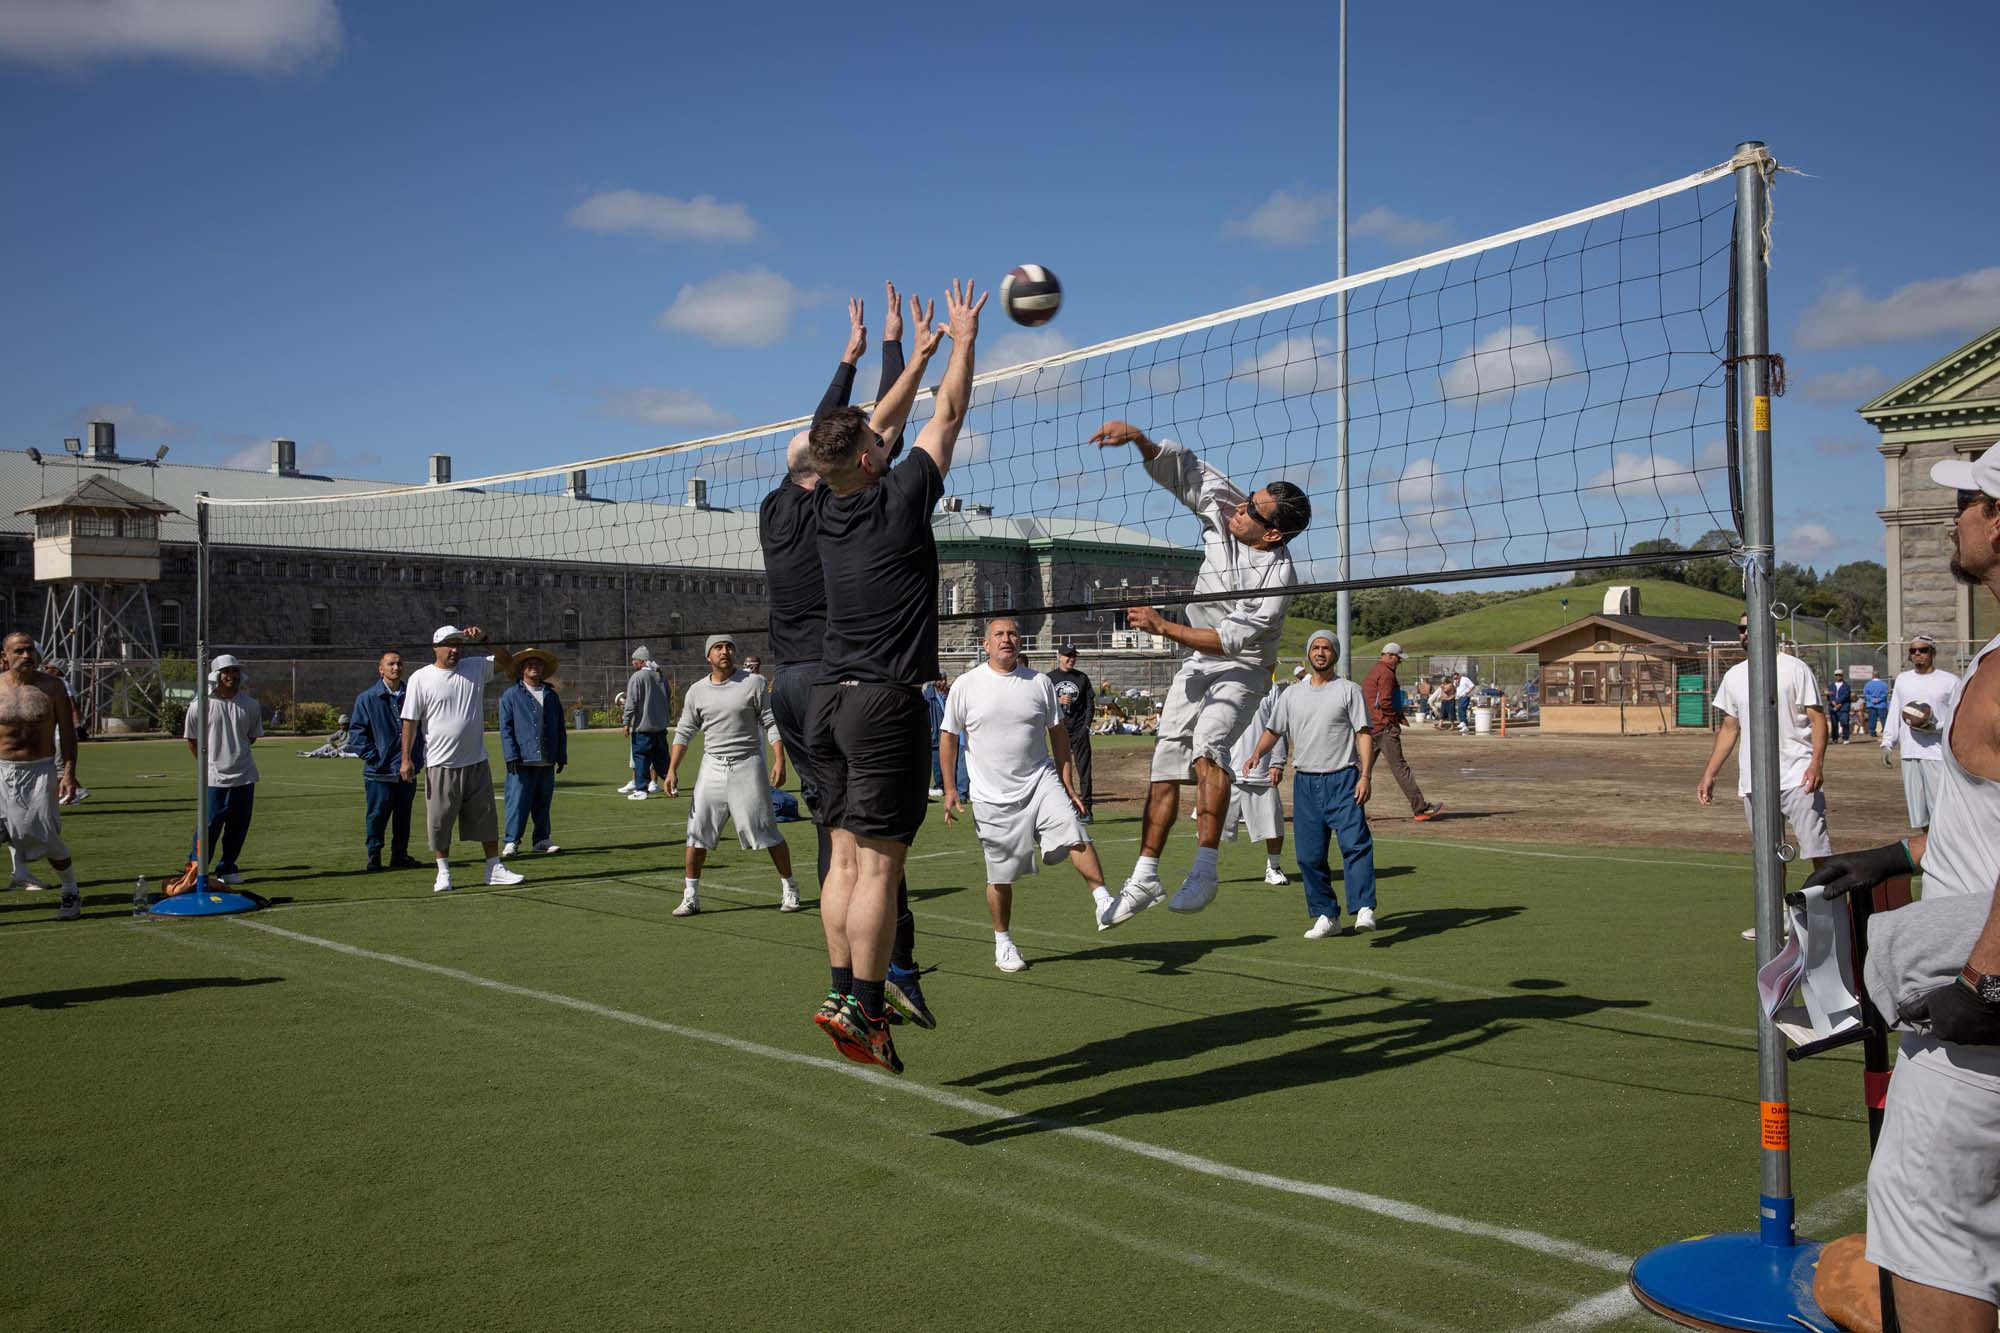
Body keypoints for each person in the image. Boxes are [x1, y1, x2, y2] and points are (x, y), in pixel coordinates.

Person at [1800, 453, 2000, 1329]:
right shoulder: (1988, 655)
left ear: (1999, 521)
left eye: (1965, 502)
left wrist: (1985, 981)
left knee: (1929, 1232)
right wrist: (1896, 851)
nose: (1951, 517)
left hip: (1981, 1010)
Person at [806, 277, 980, 1073]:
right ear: (874, 456)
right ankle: (869, 1010)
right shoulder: (902, 495)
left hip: (827, 703)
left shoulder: (824, 504)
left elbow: (877, 425)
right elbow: (943, 416)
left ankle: (845, 991)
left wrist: (914, 354)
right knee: (878, 866)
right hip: (883, 704)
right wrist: (963, 339)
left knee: (843, 861)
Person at [760, 283, 934, 1024]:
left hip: (793, 692)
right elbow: (868, 434)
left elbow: (833, 432)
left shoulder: (782, 506)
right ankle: (890, 969)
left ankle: (852, 976)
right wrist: (901, 351)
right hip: (845, 677)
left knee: (840, 833)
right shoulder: (844, 501)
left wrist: (855, 356)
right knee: (876, 844)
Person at [1088, 418, 1311, 923]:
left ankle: (1205, 869)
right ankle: (1145, 875)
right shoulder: (1231, 508)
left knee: (1208, 745)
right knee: (1165, 758)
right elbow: (1185, 471)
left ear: (1272, 531)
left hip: (1245, 666)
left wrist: (1163, 628)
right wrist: (1141, 440)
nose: (1240, 508)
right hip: (1196, 660)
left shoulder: (1279, 576)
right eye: (1246, 499)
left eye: (1253, 510)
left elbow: (1229, 640)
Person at [939, 618, 1111, 970]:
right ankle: (1003, 941)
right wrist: (951, 788)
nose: (1007, 639)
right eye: (999, 635)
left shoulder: (1040, 683)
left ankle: (1105, 901)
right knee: (1001, 877)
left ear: (1021, 643)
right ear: (986, 645)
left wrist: (1067, 782)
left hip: (1040, 780)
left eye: (1013, 634)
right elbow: (949, 737)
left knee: (1072, 826)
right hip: (992, 796)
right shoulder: (966, 686)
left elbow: (1058, 735)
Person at [1696, 618, 1829, 939]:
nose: (1744, 633)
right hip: (1755, 781)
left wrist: (1817, 764)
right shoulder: (1734, 676)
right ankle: (1778, 918)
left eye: (1750, 626)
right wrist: (1710, 773)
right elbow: (1730, 728)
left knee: (1817, 851)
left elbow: (1817, 717)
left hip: (1798, 775)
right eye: (1741, 629)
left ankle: (1830, 916)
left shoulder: (1795, 668)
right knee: (1768, 855)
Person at [1242, 630, 1377, 937]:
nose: (1320, 652)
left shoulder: (1349, 690)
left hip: (1343, 779)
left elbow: (1364, 733)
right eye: (1315, 647)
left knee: (1355, 845)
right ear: (1308, 653)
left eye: (1326, 648)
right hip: (1305, 783)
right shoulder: (1291, 694)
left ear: (1335, 654)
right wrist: (1256, 754)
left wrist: (1366, 775)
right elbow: (1274, 729)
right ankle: (1327, 915)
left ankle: (1364, 907)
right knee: (1308, 856)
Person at [665, 633, 797, 916]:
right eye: (718, 648)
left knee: (766, 830)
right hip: (712, 766)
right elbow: (685, 730)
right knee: (696, 833)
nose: (724, 651)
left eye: (728, 647)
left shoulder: (754, 683)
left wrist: (779, 760)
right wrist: (672, 769)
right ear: (708, 656)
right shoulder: (697, 690)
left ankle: (790, 888)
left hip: (748, 764)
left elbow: (770, 721)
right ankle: (691, 896)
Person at [401, 624, 523, 892]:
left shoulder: (475, 667)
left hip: (476, 761)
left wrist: (486, 639)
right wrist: (406, 759)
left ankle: (494, 867)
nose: (455, 650)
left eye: (458, 644)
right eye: (449, 645)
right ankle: (443, 872)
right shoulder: (420, 678)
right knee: (440, 821)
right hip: (440, 763)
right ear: (436, 648)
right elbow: (410, 721)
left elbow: (508, 662)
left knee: (486, 819)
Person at [0, 633, 82, 918]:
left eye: (30, 650)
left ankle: (70, 889)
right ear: (5, 656)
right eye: (19, 650)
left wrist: (68, 773)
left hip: (39, 771)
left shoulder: (53, 687)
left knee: (44, 838)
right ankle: (20, 872)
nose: (26, 655)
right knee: (8, 831)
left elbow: (68, 734)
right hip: (2, 769)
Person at [183, 653, 261, 886]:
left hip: (245, 775)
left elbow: (251, 737)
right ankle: (197, 870)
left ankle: (227, 867)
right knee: (208, 826)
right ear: (216, 676)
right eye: (226, 672)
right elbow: (192, 739)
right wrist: (207, 764)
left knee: (238, 826)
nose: (231, 676)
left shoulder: (250, 705)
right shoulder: (200, 705)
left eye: (234, 671)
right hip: (213, 777)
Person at [351, 650, 425, 871]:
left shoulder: (412, 695)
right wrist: (375, 757)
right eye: (391, 664)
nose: (396, 668)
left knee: (404, 816)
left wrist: (416, 758)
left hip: (406, 770)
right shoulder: (367, 698)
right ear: (380, 668)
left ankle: (400, 855)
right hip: (379, 772)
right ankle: (374, 856)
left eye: (400, 664)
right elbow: (357, 733)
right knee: (376, 815)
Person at [1880, 634, 1959, 832]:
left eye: (1922, 650)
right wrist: (1887, 743)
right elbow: (1895, 712)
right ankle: (1929, 857)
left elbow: (1959, 716)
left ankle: (1946, 857)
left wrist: (1936, 727)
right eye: (1913, 650)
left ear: (1932, 653)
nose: (1917, 654)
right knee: (1919, 817)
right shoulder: (1903, 680)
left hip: (1937, 754)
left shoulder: (1950, 681)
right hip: (1910, 753)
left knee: (1942, 813)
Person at [1361, 642, 1444, 823]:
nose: (1399, 662)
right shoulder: (1386, 673)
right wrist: (1393, 720)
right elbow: (1384, 702)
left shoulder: (1375, 671)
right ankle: (1420, 808)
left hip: (1370, 726)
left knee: (1362, 770)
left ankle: (1352, 811)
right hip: (1383, 727)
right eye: (1398, 659)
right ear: (1390, 655)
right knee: (1400, 769)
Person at [497, 647, 566, 857]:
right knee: (517, 802)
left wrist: (561, 755)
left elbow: (559, 727)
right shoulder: (511, 695)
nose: (534, 667)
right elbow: (506, 728)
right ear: (521, 670)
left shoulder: (551, 695)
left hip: (546, 758)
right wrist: (511, 755)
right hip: (522, 760)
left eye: (537, 664)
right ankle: (511, 841)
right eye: (529, 665)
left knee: (543, 803)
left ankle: (542, 840)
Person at [1221, 683, 1289, 885]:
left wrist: (1277, 762)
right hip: (1225, 769)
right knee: (1210, 825)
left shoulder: (1271, 688)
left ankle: (1273, 867)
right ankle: (1203, 872)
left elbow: (1280, 727)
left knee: (1273, 824)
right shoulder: (1223, 684)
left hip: (1261, 769)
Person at [1045, 642, 1096, 822]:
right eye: (1067, 655)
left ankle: (1086, 809)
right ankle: (1065, 808)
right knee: (1061, 771)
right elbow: (1041, 704)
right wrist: (1056, 700)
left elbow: (1090, 704)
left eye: (1073, 655)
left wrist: (1086, 726)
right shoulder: (1049, 679)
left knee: (1084, 770)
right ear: (1059, 656)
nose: (1071, 659)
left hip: (1079, 729)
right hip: (1059, 731)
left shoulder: (1082, 678)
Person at [621, 647, 671, 800]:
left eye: (634, 660)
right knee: (662, 759)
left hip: (643, 727)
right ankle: (672, 785)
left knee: (641, 758)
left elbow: (632, 702)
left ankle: (642, 789)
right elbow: (668, 697)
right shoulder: (660, 676)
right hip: (660, 726)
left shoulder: (637, 677)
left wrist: (626, 722)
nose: (632, 663)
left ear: (641, 661)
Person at [924, 674, 970, 801]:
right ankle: (942, 788)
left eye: (944, 679)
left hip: (952, 735)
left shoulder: (949, 694)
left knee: (955, 766)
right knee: (938, 767)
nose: (943, 682)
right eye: (940, 680)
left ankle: (955, 790)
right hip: (936, 736)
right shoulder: (928, 696)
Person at [1862, 671, 1891, 738]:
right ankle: (1885, 732)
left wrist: (1872, 699)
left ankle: (1872, 732)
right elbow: (1885, 693)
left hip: (1871, 704)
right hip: (1881, 704)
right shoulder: (1884, 684)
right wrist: (1879, 699)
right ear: (1879, 676)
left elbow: (1866, 694)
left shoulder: (1868, 684)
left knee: (1872, 719)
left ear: (1872, 676)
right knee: (1884, 719)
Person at [1827, 673, 1853, 744]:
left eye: (1840, 675)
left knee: (1844, 722)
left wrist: (1838, 703)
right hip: (1833, 707)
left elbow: (1846, 695)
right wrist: (1833, 702)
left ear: (1842, 676)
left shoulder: (1846, 686)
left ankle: (1846, 738)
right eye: (1836, 675)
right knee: (1834, 724)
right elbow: (1829, 695)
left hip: (1843, 707)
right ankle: (1835, 738)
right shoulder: (1831, 686)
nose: (1838, 676)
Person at [1454, 668, 1477, 734]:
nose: (1454, 678)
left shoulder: (1465, 679)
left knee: (1462, 708)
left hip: (1465, 697)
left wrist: (1468, 692)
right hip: (1459, 697)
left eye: (1455, 676)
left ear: (1458, 675)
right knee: (1459, 710)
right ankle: (1465, 726)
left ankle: (1463, 722)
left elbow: (1472, 686)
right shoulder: (1455, 682)